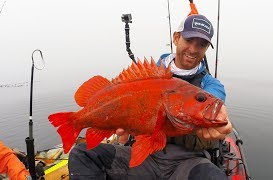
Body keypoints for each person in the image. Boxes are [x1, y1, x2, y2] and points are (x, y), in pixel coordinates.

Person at [68, 14, 232, 180]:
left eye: (202, 44)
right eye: (189, 40)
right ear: (176, 38)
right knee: (83, 154)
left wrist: (221, 120)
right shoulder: (148, 76)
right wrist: (121, 128)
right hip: (147, 160)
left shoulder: (211, 85)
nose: (193, 49)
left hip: (189, 162)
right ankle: (76, 122)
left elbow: (216, 103)